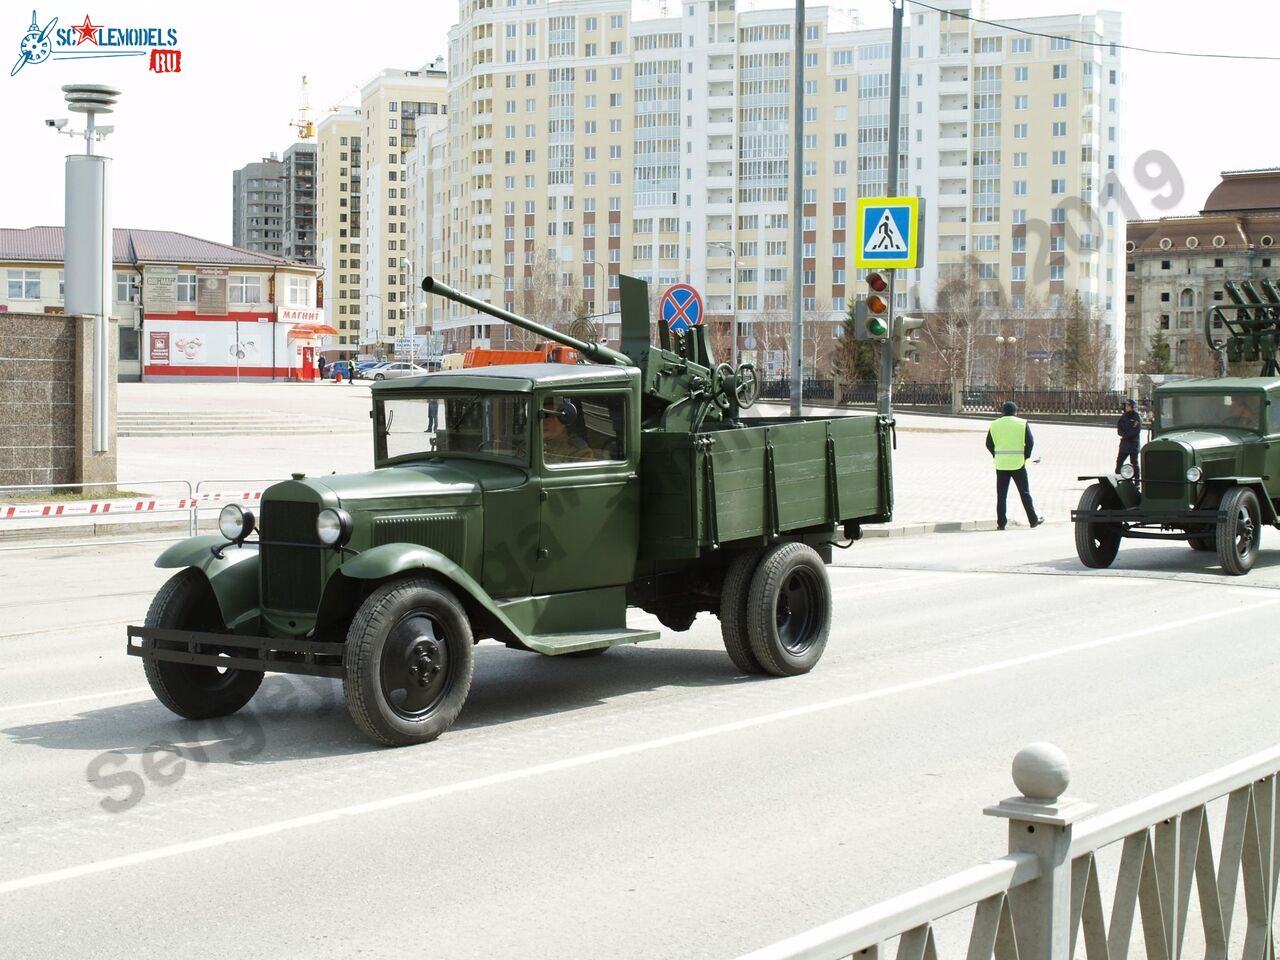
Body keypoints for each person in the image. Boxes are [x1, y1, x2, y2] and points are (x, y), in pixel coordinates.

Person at [986, 400, 1044, 530]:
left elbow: (988, 444)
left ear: (1003, 411)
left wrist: (996, 455)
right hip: (1018, 463)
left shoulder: (995, 424)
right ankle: (1033, 520)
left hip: (1001, 464)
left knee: (1001, 495)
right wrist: (1025, 456)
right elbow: (1030, 442)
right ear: (1015, 412)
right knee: (1024, 493)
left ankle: (1001, 523)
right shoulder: (1022, 423)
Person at [542, 398, 593, 463]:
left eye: (549, 416)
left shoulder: (578, 451)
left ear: (563, 419)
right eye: (541, 416)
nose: (543, 422)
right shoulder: (529, 441)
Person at [1116, 398, 1142, 481]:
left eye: (1128, 405)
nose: (1126, 407)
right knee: (1119, 462)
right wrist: (1123, 434)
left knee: (1134, 463)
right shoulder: (1124, 416)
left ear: (1132, 407)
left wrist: (1126, 435)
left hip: (1133, 444)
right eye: (1126, 405)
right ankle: (1118, 479)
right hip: (1124, 444)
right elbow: (1119, 427)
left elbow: (1135, 431)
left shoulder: (1137, 417)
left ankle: (1137, 481)